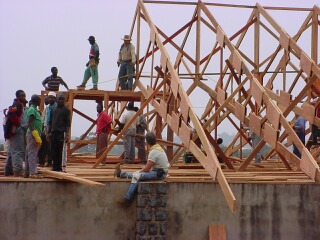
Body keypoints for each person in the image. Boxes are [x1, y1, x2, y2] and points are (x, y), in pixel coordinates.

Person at [115, 132, 170, 207]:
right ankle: (120, 174)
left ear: (147, 142)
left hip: (159, 173)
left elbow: (147, 168)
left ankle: (127, 200)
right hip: (159, 171)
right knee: (137, 174)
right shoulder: (158, 148)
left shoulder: (154, 151)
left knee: (136, 176)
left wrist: (139, 171)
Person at [4, 90, 27, 177]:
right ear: (17, 96)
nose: (24, 97)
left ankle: (8, 171)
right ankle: (18, 172)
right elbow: (11, 114)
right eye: (22, 96)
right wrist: (18, 124)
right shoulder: (17, 104)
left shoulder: (19, 105)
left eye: (24, 95)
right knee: (18, 151)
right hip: (17, 131)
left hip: (16, 132)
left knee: (11, 151)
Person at [47, 94, 71, 171]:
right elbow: (50, 122)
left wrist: (67, 135)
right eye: (59, 99)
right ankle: (55, 167)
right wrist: (48, 133)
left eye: (62, 99)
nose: (60, 101)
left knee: (60, 150)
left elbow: (68, 124)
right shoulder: (53, 110)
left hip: (61, 133)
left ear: (64, 100)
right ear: (56, 100)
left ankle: (59, 167)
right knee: (53, 150)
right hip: (53, 132)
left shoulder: (66, 111)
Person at [25, 95, 43, 178]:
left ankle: (28, 172)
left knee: (30, 154)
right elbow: (30, 123)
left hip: (34, 134)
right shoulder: (32, 109)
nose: (40, 102)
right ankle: (33, 173)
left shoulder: (35, 110)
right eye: (40, 100)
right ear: (37, 101)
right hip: (32, 135)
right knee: (32, 154)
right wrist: (35, 134)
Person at [44, 92, 57, 167]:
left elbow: (52, 120)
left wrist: (50, 131)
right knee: (48, 146)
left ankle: (52, 162)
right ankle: (49, 161)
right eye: (49, 97)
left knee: (52, 146)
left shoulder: (55, 107)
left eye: (52, 97)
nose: (50, 99)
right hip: (48, 126)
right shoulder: (49, 107)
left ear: (55, 98)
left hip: (53, 127)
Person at [38, 96, 50, 167]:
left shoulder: (50, 108)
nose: (44, 101)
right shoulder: (47, 108)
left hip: (47, 131)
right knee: (43, 147)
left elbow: (46, 121)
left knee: (47, 148)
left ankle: (48, 162)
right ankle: (42, 161)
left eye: (46, 100)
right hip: (44, 130)